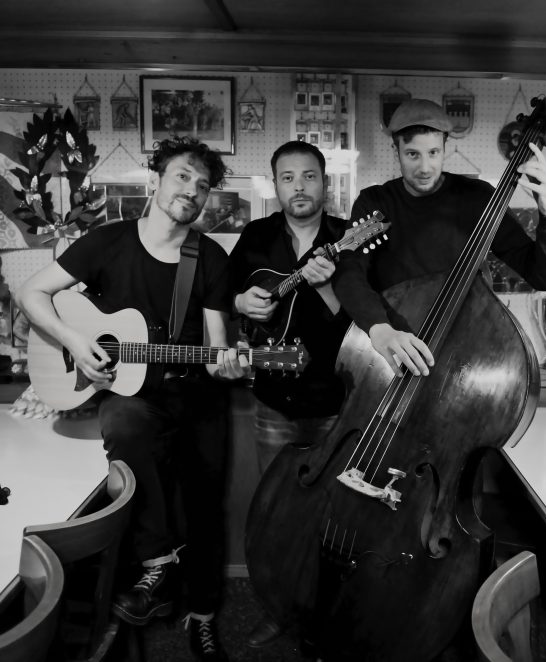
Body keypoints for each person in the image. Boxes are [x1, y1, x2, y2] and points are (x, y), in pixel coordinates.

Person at [16, 137, 248, 662]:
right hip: (132, 395)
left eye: (202, 185)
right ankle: (156, 562)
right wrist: (75, 341)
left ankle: (203, 616)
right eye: (182, 176)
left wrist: (230, 362)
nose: (192, 191)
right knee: (123, 421)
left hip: (196, 398)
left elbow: (216, 350)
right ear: (156, 179)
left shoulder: (209, 257)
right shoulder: (107, 242)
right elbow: (32, 293)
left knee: (204, 505)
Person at [332, 98, 546, 376]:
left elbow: (543, 277)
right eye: (412, 154)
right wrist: (378, 328)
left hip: (467, 357)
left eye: (433, 152)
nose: (425, 167)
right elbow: (348, 271)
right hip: (396, 357)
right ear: (396, 151)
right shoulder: (376, 204)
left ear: (445, 147)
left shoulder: (478, 198)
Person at [229, 140, 351, 647]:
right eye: (287, 177)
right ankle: (278, 610)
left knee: (334, 516)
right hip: (273, 401)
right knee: (276, 512)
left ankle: (329, 619)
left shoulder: (348, 237)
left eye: (308, 176)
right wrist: (242, 302)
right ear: (276, 185)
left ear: (324, 182)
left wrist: (325, 287)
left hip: (337, 404)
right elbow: (225, 294)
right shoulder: (256, 236)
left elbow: (365, 320)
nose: (298, 186)